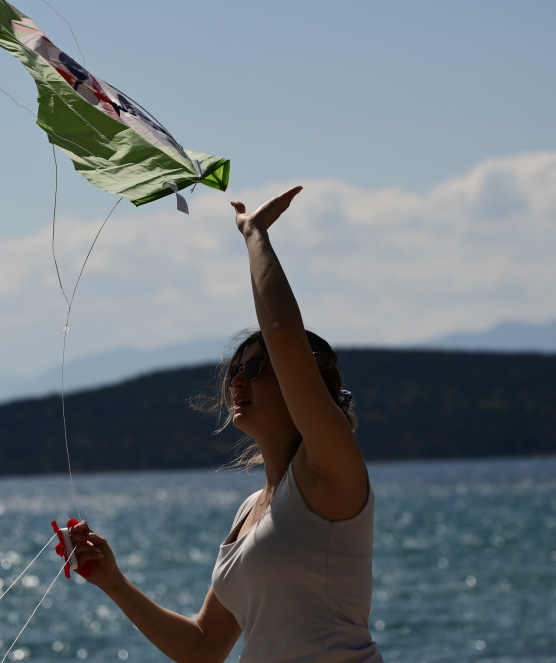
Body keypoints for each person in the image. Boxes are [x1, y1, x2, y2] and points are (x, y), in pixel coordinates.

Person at [67, 185, 384, 663]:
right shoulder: (248, 510)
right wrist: (113, 582)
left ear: (305, 385)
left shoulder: (329, 469)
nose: (238, 378)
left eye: (256, 367)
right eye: (236, 368)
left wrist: (254, 234)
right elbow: (203, 646)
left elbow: (281, 333)